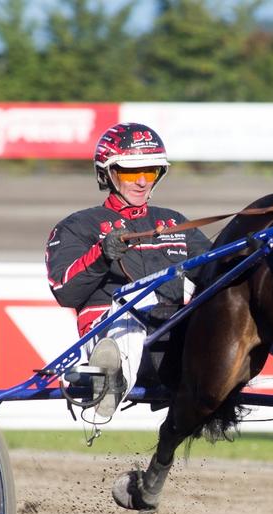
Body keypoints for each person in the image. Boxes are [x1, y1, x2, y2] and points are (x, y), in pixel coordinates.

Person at [46, 122, 211, 423]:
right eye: (131, 172)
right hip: (110, 330)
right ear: (107, 173)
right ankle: (112, 377)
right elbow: (65, 291)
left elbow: (214, 272)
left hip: (174, 342)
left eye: (150, 172)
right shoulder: (78, 226)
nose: (142, 182)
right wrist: (101, 255)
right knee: (134, 297)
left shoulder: (175, 223)